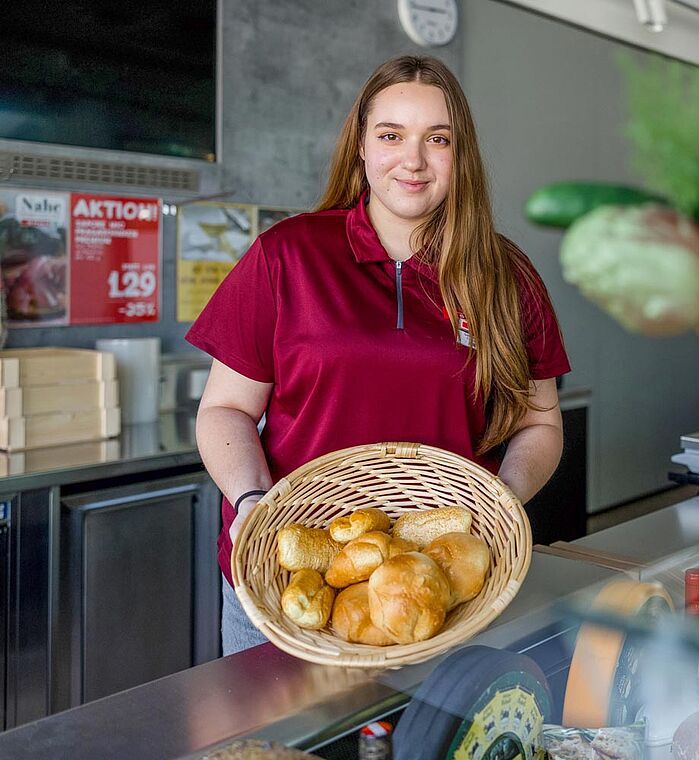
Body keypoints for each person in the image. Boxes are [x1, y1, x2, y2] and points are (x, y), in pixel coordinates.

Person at [186, 55, 571, 655]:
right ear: (362, 147)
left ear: (459, 155)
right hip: (291, 585)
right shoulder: (286, 255)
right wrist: (252, 502)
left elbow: (540, 422)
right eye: (391, 135)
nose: (412, 160)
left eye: (436, 139)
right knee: (281, 749)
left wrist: (499, 507)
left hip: (444, 585)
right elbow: (226, 410)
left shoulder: (505, 274)